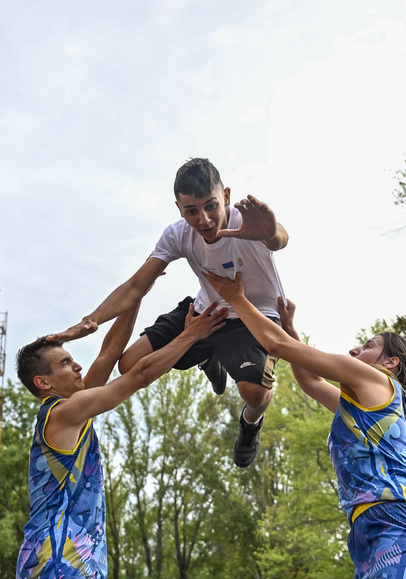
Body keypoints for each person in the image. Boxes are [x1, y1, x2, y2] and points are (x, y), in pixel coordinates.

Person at [202, 273, 406, 579]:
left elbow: (280, 348)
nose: (355, 348)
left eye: (367, 345)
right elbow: (308, 377)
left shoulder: (378, 381)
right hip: (368, 539)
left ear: (391, 363)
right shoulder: (359, 403)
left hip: (403, 528)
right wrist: (291, 327)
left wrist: (237, 299)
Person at [15, 299, 225, 579]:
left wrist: (137, 291)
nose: (77, 364)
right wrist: (189, 334)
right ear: (43, 383)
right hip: (54, 564)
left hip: (58, 566)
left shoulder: (74, 407)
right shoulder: (62, 412)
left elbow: (111, 352)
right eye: (65, 363)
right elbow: (138, 376)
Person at [51, 157, 290, 468]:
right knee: (130, 364)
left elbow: (279, 238)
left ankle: (251, 423)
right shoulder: (177, 234)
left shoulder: (247, 222)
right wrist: (91, 320)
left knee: (254, 394)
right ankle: (207, 356)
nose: (203, 220)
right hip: (206, 312)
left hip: (255, 317)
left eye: (211, 206)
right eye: (191, 211)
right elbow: (137, 284)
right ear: (179, 209)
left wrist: (270, 232)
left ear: (227, 197)